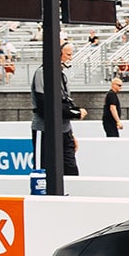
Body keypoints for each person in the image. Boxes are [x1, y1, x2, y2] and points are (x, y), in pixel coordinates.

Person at [31, 42, 86, 176]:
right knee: (43, 169)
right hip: (45, 130)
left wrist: (71, 133)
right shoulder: (42, 73)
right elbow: (45, 106)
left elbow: (65, 102)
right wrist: (74, 113)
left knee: (70, 168)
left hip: (65, 130)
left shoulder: (63, 76)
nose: (70, 58)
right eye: (68, 54)